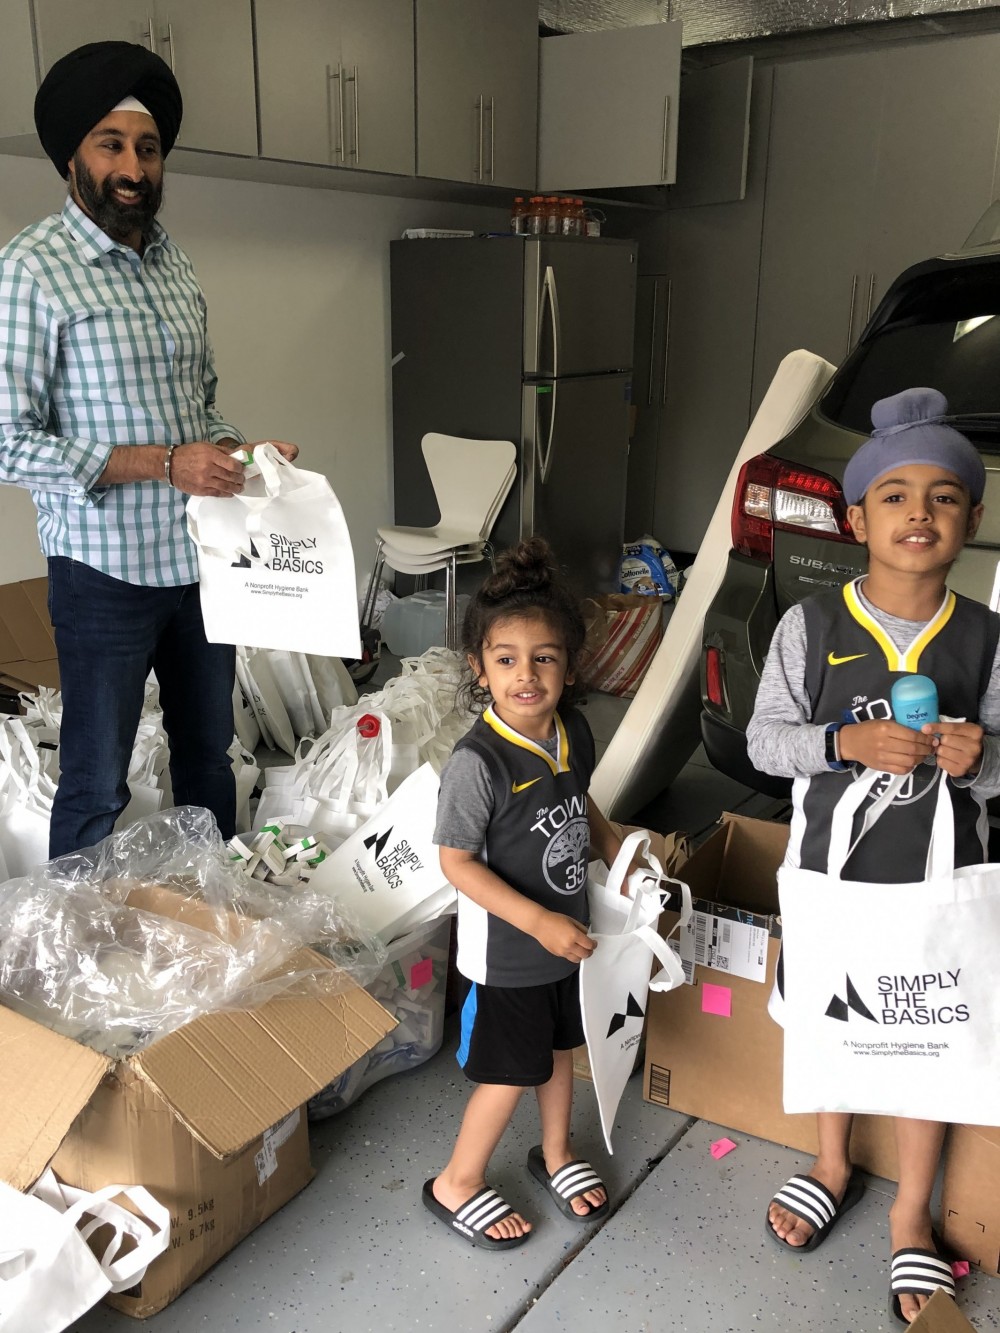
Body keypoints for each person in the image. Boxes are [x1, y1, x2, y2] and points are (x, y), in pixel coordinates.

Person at [0, 41, 298, 856]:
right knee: (98, 779)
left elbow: (197, 406)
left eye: (148, 147)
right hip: (104, 575)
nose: (133, 166)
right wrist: (164, 463)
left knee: (212, 756)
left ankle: (215, 921)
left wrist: (242, 451)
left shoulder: (174, 267)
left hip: (200, 564)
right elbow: (7, 440)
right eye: (112, 144)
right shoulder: (31, 270)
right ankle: (69, 958)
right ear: (72, 157)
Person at [746, 387, 1000, 1324]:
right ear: (857, 519)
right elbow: (762, 743)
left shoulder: (985, 635)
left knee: (924, 1037)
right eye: (895, 495)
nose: (919, 513)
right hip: (832, 883)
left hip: (937, 886)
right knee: (836, 1019)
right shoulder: (810, 627)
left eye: (943, 495)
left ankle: (909, 1216)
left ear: (972, 518)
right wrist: (840, 745)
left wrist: (985, 758)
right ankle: (831, 1160)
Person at [424, 538, 627, 1250]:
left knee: (562, 1047)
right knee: (510, 1071)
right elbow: (455, 861)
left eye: (544, 657)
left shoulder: (574, 730)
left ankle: (557, 1153)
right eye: (506, 659)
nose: (526, 674)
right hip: (510, 950)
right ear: (479, 668)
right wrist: (536, 919)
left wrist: (618, 849)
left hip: (565, 938)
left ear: (568, 665)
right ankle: (458, 1180)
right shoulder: (477, 762)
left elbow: (582, 802)